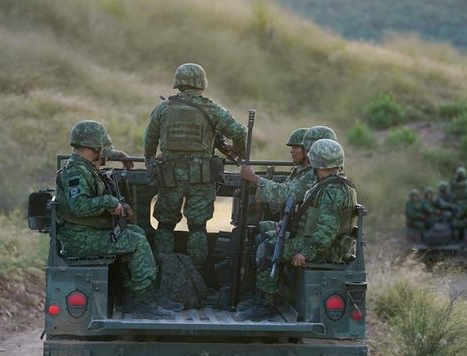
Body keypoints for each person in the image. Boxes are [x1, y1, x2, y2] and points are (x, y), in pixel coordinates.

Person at [56, 120, 174, 319]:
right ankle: (142, 302)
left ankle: (131, 296)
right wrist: (110, 203)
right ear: (95, 147)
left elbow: (102, 154)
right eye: (102, 149)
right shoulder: (76, 172)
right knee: (137, 242)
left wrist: (119, 156)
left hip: (86, 234)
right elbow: (79, 206)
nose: (104, 155)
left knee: (135, 232)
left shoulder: (83, 165)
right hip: (80, 239)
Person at [237, 138, 357, 321]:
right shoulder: (330, 183)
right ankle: (259, 297)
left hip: (322, 248)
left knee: (268, 250)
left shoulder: (333, 190)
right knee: (265, 237)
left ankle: (265, 305)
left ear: (317, 161)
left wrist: (306, 252)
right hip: (317, 242)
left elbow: (327, 230)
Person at [143, 63, 247, 267]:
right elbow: (239, 132)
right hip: (201, 177)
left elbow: (149, 140)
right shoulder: (212, 109)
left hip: (169, 176)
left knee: (165, 224)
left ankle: (163, 270)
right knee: (198, 227)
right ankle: (198, 273)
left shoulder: (163, 108)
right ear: (201, 84)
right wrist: (238, 152)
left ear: (178, 84)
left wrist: (150, 161)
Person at [239, 126, 335, 214]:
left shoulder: (315, 173)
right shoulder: (302, 171)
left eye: (296, 147)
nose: (291, 151)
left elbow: (287, 193)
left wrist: (254, 178)